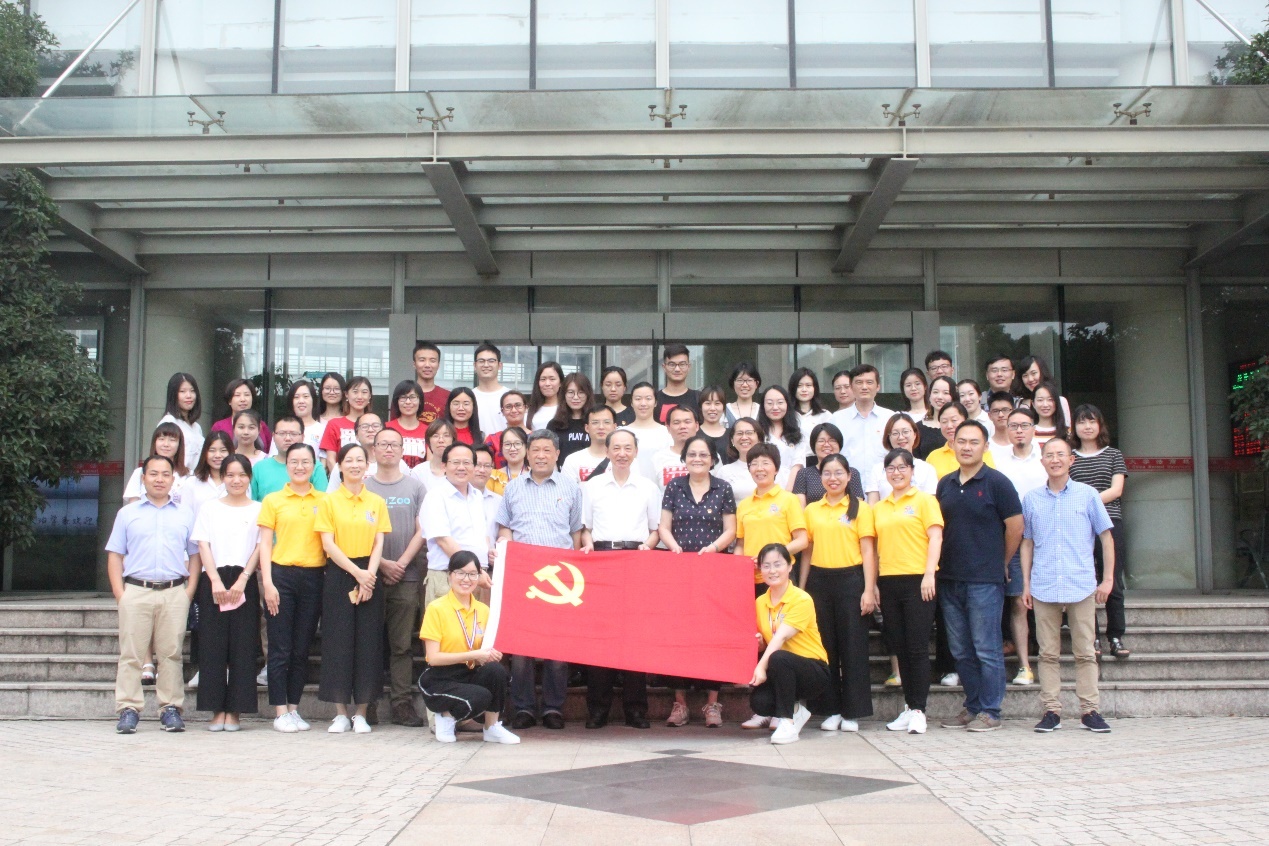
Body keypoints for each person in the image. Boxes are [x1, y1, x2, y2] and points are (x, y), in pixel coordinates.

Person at [1022, 438, 1116, 734]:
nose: (1055, 460)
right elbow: (1027, 543)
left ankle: (1090, 711)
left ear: (1071, 460)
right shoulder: (1032, 499)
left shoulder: (1088, 495)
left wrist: (1108, 579)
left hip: (1080, 584)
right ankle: (1051, 710)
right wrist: (1025, 583)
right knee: (1047, 653)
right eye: (1049, 455)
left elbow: (1106, 538)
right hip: (1044, 584)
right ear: (1042, 461)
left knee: (1085, 652)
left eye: (1060, 454)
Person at [935, 421, 1023, 733]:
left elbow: (1016, 526)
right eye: (962, 441)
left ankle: (991, 710)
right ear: (953, 445)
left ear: (985, 447)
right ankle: (972, 706)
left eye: (974, 442)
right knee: (961, 650)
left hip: (985, 579)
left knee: (987, 648)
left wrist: (1002, 561)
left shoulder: (998, 482)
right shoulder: (945, 484)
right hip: (949, 577)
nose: (967, 447)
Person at [106, 455, 200, 734]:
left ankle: (170, 708)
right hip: (136, 590)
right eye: (154, 474)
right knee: (131, 654)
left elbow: (195, 556)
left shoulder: (185, 514)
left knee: (171, 654)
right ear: (143, 478)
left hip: (174, 591)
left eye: (165, 474)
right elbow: (115, 555)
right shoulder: (127, 514)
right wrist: (120, 594)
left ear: (173, 479)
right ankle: (128, 708)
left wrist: (189, 591)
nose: (159, 479)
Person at [495, 429, 582, 730]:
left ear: (557, 454)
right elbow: (504, 528)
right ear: (527, 454)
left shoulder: (571, 488)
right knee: (521, 648)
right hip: (523, 578)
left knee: (557, 648)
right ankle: (524, 708)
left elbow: (575, 533)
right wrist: (507, 549)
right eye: (536, 450)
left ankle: (553, 708)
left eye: (547, 450)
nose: (541, 456)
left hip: (560, 579)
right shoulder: (513, 488)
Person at [579, 429, 661, 729]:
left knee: (634, 636)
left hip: (636, 560)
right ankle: (598, 709)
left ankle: (636, 709)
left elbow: (655, 529)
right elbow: (585, 528)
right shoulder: (592, 486)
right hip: (601, 561)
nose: (622, 453)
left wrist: (647, 547)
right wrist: (588, 545)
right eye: (616, 448)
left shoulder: (648, 487)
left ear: (636, 452)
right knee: (600, 637)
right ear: (607, 452)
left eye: (628, 448)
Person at [658, 433, 738, 727]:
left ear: (713, 459)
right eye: (692, 454)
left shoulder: (723, 488)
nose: (697, 459)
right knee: (678, 635)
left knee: (712, 636)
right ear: (684, 458)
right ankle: (679, 704)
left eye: (704, 454)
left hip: (714, 570)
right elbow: (663, 526)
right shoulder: (674, 487)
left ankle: (712, 703)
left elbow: (731, 529)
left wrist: (713, 548)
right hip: (679, 572)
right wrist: (673, 546)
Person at [316, 443, 391, 734]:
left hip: (369, 574)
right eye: (349, 460)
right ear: (340, 466)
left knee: (368, 644)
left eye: (360, 460)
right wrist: (357, 574)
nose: (355, 465)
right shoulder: (329, 501)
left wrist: (369, 576)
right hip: (340, 573)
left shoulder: (376, 501)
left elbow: (379, 541)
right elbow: (327, 543)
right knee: (338, 642)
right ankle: (340, 713)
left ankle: (361, 713)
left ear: (367, 466)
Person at [800, 454, 876, 733]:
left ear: (849, 476)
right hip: (819, 582)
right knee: (825, 647)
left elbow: (868, 551)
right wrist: (803, 590)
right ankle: (830, 709)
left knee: (853, 648)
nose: (833, 478)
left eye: (839, 473)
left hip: (851, 581)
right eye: (827, 473)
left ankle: (853, 712)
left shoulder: (860, 508)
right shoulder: (812, 510)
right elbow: (807, 552)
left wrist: (869, 589)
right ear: (820, 477)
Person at [873, 448, 944, 735]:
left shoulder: (925, 500)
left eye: (902, 467)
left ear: (912, 471)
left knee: (916, 647)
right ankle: (908, 706)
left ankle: (919, 710)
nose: (897, 472)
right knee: (899, 646)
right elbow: (874, 550)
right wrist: (873, 583)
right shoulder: (880, 507)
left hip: (918, 581)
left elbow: (935, 537)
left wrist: (929, 574)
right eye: (891, 468)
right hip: (889, 581)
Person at [418, 550, 520, 744]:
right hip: (440, 677)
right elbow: (434, 658)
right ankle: (446, 716)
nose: (467, 579)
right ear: (450, 575)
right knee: (480, 696)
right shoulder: (437, 608)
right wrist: (474, 654)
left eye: (473, 574)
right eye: (461, 573)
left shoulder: (483, 610)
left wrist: (491, 654)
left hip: (469, 672)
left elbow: (487, 650)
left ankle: (492, 727)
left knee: (496, 671)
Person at [258, 443, 326, 733]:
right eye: (294, 461)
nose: (300, 467)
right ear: (286, 466)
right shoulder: (273, 500)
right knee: (280, 648)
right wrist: (268, 583)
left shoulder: (324, 500)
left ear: (314, 466)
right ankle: (279, 710)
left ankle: (294, 709)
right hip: (281, 576)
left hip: (314, 576)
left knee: (301, 648)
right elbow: (264, 544)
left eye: (306, 462)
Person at [364, 426, 429, 727]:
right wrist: (382, 565)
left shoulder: (415, 487)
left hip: (407, 576)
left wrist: (400, 563)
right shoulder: (363, 487)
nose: (388, 449)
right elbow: (356, 532)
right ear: (373, 450)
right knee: (371, 643)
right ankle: (368, 702)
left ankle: (402, 704)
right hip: (369, 576)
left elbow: (422, 530)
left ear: (403, 450)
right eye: (383, 444)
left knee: (402, 645)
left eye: (394, 444)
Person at [192, 454, 261, 731]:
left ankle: (235, 711)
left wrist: (244, 578)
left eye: (242, 475)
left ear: (249, 478)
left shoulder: (259, 509)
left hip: (244, 579)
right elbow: (203, 544)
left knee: (243, 647)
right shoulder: (210, 508)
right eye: (230, 475)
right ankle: (216, 709)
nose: (236, 480)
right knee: (213, 647)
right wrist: (214, 580)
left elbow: (260, 546)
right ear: (223, 477)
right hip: (214, 579)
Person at [750, 543, 830, 745]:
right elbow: (768, 641)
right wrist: (759, 644)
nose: (772, 571)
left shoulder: (801, 599)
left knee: (779, 658)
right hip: (782, 669)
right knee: (759, 702)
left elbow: (780, 638)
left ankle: (787, 723)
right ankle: (795, 710)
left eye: (778, 564)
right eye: (766, 566)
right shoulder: (760, 602)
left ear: (790, 566)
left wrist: (761, 667)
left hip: (813, 671)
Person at [1070, 404, 1130, 659]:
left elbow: (1117, 490)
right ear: (1074, 427)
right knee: (1085, 581)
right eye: (1082, 422)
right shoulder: (1069, 456)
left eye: (1092, 421)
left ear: (1100, 425)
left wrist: (1087, 502)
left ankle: (1115, 636)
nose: (1087, 426)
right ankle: (1091, 637)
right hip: (1079, 525)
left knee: (1112, 580)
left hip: (1110, 521)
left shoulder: (1114, 454)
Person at [995, 406, 1047, 686]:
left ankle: (1049, 659)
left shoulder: (1046, 458)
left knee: (1046, 601)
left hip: (1046, 539)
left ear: (1033, 429)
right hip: (1013, 538)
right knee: (1017, 601)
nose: (1018, 431)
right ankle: (1024, 666)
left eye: (1024, 425)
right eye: (1013, 426)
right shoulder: (998, 461)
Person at [734, 442, 808, 608]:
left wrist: (770, 557)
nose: (759, 468)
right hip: (750, 579)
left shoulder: (788, 499)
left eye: (765, 463)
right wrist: (741, 565)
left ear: (776, 469)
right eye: (754, 464)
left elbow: (802, 540)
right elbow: (740, 544)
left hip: (780, 576)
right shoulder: (744, 505)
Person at [421, 442, 491, 611]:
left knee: (476, 627)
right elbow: (443, 540)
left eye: (467, 463)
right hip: (448, 576)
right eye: (455, 462)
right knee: (445, 627)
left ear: (474, 467)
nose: (461, 467)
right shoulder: (436, 496)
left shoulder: (477, 496)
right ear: (444, 466)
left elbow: (481, 535)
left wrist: (490, 552)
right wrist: (474, 572)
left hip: (478, 577)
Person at [832, 365, 892, 482]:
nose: (864, 387)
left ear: (878, 386)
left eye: (869, 382)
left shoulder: (890, 418)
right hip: (847, 484)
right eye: (859, 382)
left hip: (884, 483)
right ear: (851, 386)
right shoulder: (836, 419)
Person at [865, 413, 938, 504]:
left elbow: (930, 505)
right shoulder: (878, 470)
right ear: (888, 437)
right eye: (895, 433)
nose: (901, 437)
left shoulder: (927, 469)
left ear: (915, 434)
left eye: (905, 432)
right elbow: (872, 506)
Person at [252, 416, 329, 501]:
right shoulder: (259, 468)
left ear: (303, 437)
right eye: (282, 433)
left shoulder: (314, 466)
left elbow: (322, 501)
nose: (288, 438)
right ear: (273, 436)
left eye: (293, 434)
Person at [793, 422, 865, 507]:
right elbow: (800, 509)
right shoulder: (804, 474)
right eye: (821, 441)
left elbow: (858, 507)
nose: (827, 445)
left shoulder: (852, 473)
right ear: (813, 445)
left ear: (839, 444)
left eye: (832, 440)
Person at [925, 402, 997, 479]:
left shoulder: (981, 453)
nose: (949, 426)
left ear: (965, 420)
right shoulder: (933, 456)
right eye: (944, 422)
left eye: (954, 420)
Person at [124, 422, 189, 504]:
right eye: (161, 439)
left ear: (179, 445)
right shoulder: (140, 472)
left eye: (172, 440)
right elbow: (133, 507)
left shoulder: (188, 476)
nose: (166, 444)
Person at [319, 376, 372, 473]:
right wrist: (341, 478)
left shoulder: (376, 424)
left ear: (369, 396)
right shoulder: (334, 424)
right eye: (355, 392)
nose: (360, 397)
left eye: (364, 392)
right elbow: (330, 459)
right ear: (346, 394)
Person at [757, 385, 804, 490]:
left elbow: (797, 464)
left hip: (792, 488)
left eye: (780, 402)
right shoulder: (757, 432)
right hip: (763, 488)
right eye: (769, 403)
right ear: (763, 406)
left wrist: (787, 492)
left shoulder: (797, 433)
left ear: (787, 404)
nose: (775, 407)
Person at [624, 381, 673, 480]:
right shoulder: (622, 433)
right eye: (638, 399)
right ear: (632, 403)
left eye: (648, 398)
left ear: (655, 402)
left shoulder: (667, 433)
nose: (643, 403)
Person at [210, 378, 273, 453]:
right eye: (237, 395)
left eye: (247, 395)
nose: (243, 399)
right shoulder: (219, 427)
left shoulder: (262, 425)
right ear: (229, 401)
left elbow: (270, 452)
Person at [157, 372, 205, 471]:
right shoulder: (169, 422)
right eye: (182, 391)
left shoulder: (196, 427)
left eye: (192, 391)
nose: (189, 395)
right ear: (173, 395)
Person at [713, 417, 764, 503]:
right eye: (739, 433)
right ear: (732, 440)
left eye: (749, 433)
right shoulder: (724, 472)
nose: (744, 437)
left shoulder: (772, 468)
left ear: (759, 438)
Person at [561, 404, 617, 482]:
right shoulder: (573, 460)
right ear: (587, 428)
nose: (601, 427)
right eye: (595, 422)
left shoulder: (624, 458)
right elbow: (567, 489)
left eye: (606, 422)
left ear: (614, 427)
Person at [651, 404, 701, 491]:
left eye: (687, 422)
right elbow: (651, 492)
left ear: (696, 426)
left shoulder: (709, 456)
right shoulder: (658, 458)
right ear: (668, 428)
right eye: (676, 423)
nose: (682, 426)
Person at [549, 373, 594, 467]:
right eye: (570, 392)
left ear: (588, 394)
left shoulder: (595, 422)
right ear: (564, 395)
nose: (576, 397)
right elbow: (549, 454)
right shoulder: (554, 424)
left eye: (581, 392)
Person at [184, 431, 233, 514]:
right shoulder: (192, 483)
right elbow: (185, 514)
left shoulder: (239, 482)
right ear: (205, 453)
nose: (217, 455)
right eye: (212, 450)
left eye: (223, 450)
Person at [1018, 355, 1072, 423]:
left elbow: (1066, 427)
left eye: (1034, 373)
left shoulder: (1061, 401)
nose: (1030, 379)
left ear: (1043, 372)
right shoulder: (1018, 403)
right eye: (1025, 375)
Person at [386, 380, 428, 468]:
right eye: (403, 397)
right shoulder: (386, 428)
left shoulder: (429, 431)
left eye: (412, 397)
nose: (408, 402)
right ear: (397, 401)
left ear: (420, 401)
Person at [655, 343, 700, 424]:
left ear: (689, 367)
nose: (677, 369)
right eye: (672, 364)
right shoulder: (654, 400)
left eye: (682, 364)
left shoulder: (699, 398)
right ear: (664, 367)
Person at [410, 419, 457, 494]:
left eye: (446, 435)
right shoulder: (418, 472)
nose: (441, 440)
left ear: (453, 440)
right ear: (428, 441)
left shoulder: (460, 470)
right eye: (435, 436)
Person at [280, 380, 326, 455]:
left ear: (313, 400)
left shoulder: (323, 430)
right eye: (296, 397)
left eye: (306, 396)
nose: (301, 401)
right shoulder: (281, 429)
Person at [485, 390, 529, 468]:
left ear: (526, 408)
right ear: (502, 411)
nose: (514, 410)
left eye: (518, 405)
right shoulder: (493, 439)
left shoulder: (536, 438)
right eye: (508, 406)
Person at [472, 342, 508, 434]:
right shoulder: (469, 397)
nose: (486, 365)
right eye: (481, 361)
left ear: (500, 365)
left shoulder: (509, 396)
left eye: (491, 361)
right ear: (475, 366)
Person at [917, 375, 956, 459]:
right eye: (935, 392)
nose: (939, 397)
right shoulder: (918, 428)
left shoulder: (962, 426)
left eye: (945, 393)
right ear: (929, 395)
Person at [412, 342, 450, 425]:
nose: (427, 365)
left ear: (438, 365)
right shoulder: (404, 395)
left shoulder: (448, 396)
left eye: (432, 361)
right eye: (422, 360)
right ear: (414, 364)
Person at [789, 368, 832, 441]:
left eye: (808, 385)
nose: (804, 390)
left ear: (815, 388)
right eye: (799, 386)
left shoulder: (825, 416)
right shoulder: (786, 415)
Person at [486, 425, 527, 495]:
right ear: (501, 448)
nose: (512, 449)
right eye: (507, 444)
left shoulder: (535, 475)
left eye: (517, 444)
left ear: (526, 447)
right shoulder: (492, 476)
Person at [527, 361, 565, 430]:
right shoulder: (529, 410)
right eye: (543, 379)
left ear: (561, 382)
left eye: (552, 379)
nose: (547, 383)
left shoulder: (567, 408)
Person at [698, 385, 731, 461]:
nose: (712, 408)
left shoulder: (732, 435)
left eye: (717, 403)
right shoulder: (693, 434)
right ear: (701, 407)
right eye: (708, 403)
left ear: (723, 407)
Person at [985, 391, 1017, 466]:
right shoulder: (986, 447)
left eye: (1005, 410)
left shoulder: (1026, 442)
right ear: (989, 415)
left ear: (1013, 411)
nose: (1001, 415)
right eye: (995, 411)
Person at [1031, 381, 1068, 447]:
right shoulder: (1028, 432)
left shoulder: (1068, 432)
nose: (1045, 405)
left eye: (1050, 399)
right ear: (1033, 404)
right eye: (1040, 400)